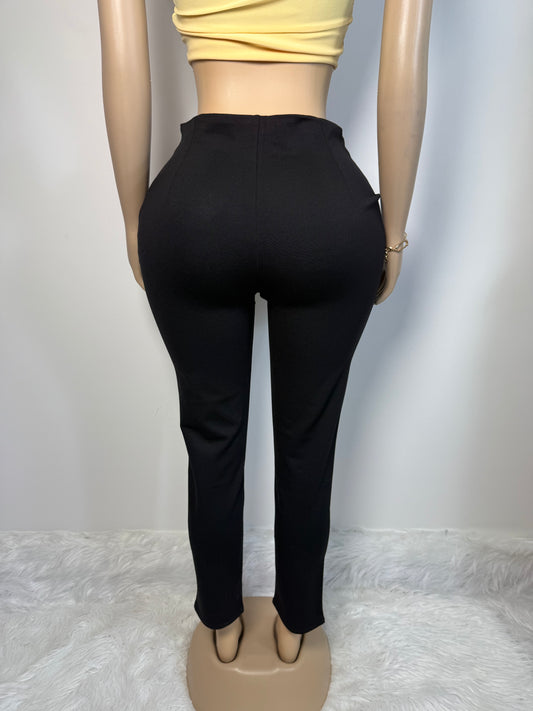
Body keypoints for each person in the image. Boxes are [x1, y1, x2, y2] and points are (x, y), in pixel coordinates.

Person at [97, 0, 433, 666]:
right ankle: (294, 624)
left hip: (194, 203)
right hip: (322, 204)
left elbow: (120, 53)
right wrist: (392, 233)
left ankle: (221, 621)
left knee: (211, 432)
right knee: (309, 438)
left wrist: (135, 219)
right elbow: (407, 60)